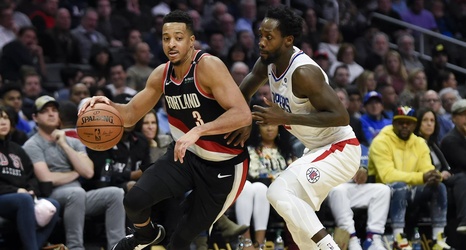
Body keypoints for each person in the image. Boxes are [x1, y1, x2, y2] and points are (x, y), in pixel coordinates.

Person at [79, 9, 252, 250]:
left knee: (179, 240)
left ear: (191, 41)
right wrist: (107, 104)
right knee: (134, 201)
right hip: (185, 156)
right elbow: (129, 116)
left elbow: (242, 114)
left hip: (224, 166)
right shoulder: (161, 74)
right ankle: (146, 236)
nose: (171, 44)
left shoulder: (208, 66)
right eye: (165, 37)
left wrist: (199, 131)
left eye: (178, 37)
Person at [230, 6, 361, 250]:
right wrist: (243, 121)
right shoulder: (267, 62)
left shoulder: (303, 72)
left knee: (277, 192)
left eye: (269, 37)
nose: (262, 42)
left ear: (288, 40)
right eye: (261, 35)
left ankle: (330, 247)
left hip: (340, 148)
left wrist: (285, 117)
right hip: (317, 149)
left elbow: (341, 116)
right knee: (295, 221)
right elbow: (242, 94)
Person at [23, 95, 126, 250]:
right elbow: (46, 178)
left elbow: (89, 172)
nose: (51, 114)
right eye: (45, 111)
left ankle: (118, 246)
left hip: (78, 195)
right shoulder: (32, 145)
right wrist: (75, 172)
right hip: (52, 197)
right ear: (35, 118)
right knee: (76, 193)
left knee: (115, 193)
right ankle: (75, 247)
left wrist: (64, 145)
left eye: (54, 110)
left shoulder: (73, 141)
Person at [368, 106, 450, 249]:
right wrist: (422, 177)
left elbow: (427, 170)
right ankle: (399, 238)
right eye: (401, 122)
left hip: (412, 191)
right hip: (384, 192)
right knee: (400, 186)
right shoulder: (380, 141)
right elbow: (388, 175)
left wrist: (435, 176)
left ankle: (438, 239)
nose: (405, 125)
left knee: (439, 186)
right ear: (393, 123)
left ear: (414, 125)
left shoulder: (420, 143)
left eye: (409, 122)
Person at [0, 105, 61, 250]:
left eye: (5, 118)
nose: (3, 122)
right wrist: (16, 191)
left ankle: (33, 247)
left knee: (53, 205)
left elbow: (31, 176)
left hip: (21, 196)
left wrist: (31, 189)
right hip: (5, 196)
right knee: (24, 199)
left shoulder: (17, 149)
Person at [235, 105, 294, 249]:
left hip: (282, 192)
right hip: (258, 188)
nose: (269, 129)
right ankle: (247, 241)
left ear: (279, 128)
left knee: (260, 187)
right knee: (253, 187)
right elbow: (253, 173)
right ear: (258, 129)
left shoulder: (286, 151)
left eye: (273, 125)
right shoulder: (251, 150)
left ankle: (259, 243)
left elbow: (294, 171)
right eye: (265, 125)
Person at [327, 144, 390, 250]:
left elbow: (364, 163)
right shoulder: (322, 145)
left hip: (353, 188)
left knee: (383, 190)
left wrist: (363, 170)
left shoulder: (354, 144)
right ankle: (351, 239)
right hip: (331, 190)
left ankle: (373, 238)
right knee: (338, 190)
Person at [440, 99, 466, 235]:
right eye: (463, 115)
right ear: (454, 118)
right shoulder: (450, 140)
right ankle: (464, 220)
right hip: (453, 182)